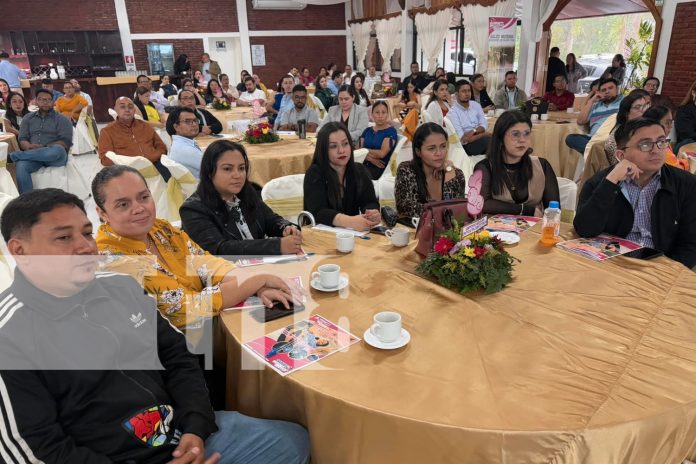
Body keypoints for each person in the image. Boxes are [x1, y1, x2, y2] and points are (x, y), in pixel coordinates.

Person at [0, 188, 311, 464]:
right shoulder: (9, 335)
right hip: (115, 456)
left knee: (295, 441)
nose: (84, 247)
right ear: (19, 251)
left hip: (181, 436)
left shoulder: (121, 286)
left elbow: (178, 358)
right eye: (64, 237)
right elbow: (33, 450)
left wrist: (196, 426)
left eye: (86, 233)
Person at [93, 165, 300, 328]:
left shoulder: (159, 228)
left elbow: (205, 263)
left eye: (144, 197)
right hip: (181, 352)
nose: (139, 208)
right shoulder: (112, 259)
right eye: (123, 204)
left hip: (214, 320)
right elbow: (185, 309)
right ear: (101, 213)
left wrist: (256, 287)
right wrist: (255, 280)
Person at [574, 117, 696, 269]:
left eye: (661, 142)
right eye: (645, 144)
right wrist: (610, 182)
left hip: (662, 268)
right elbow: (585, 230)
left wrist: (668, 273)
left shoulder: (686, 184)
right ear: (621, 156)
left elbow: (690, 243)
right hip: (612, 266)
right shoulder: (599, 183)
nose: (656, 150)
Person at [181, 140, 303, 256]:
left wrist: (286, 228)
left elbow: (271, 220)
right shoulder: (193, 209)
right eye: (227, 169)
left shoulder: (246, 194)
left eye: (241, 168)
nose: (237, 175)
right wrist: (276, 246)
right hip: (227, 274)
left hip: (259, 266)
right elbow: (219, 249)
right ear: (210, 172)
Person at [473, 110, 560, 217]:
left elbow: (553, 210)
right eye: (515, 134)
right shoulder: (484, 168)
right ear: (500, 138)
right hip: (495, 231)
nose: (522, 140)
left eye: (526, 134)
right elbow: (481, 204)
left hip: (534, 230)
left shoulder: (542, 165)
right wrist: (525, 210)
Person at [304, 122, 381, 229]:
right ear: (323, 150)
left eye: (345, 144)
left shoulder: (359, 170)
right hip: (321, 235)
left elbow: (369, 201)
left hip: (352, 234)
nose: (341, 150)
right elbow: (318, 212)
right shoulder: (314, 173)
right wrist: (350, 221)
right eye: (333, 146)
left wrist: (373, 213)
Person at [395, 122, 466, 219]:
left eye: (443, 146)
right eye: (431, 149)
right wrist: (442, 212)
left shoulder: (456, 175)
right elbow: (404, 208)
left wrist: (449, 179)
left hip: (446, 232)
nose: (439, 153)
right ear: (418, 152)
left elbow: (457, 213)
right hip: (415, 231)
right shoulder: (406, 170)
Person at [10, 89, 71, 193]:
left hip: (55, 157)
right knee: (22, 165)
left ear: (53, 102)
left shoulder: (62, 119)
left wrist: (44, 147)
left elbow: (65, 142)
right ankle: (27, 201)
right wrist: (29, 147)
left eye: (48, 100)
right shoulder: (27, 118)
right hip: (34, 157)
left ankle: (13, 156)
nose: (45, 102)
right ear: (36, 101)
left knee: (58, 150)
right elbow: (22, 138)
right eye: (42, 99)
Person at [97, 97, 170, 180]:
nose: (127, 110)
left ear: (134, 110)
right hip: (127, 172)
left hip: (154, 165)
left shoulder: (145, 126)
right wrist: (130, 163)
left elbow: (161, 147)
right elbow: (105, 159)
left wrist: (152, 157)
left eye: (130, 107)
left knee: (173, 185)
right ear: (116, 110)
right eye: (122, 107)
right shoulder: (107, 131)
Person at [566, 78, 623, 155]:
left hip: (612, 140)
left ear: (617, 89)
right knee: (570, 139)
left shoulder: (624, 102)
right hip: (593, 139)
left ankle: (596, 154)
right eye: (603, 90)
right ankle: (600, 154)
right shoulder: (595, 106)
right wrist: (591, 101)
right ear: (599, 93)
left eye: (610, 88)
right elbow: (580, 121)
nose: (607, 91)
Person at [603, 89, 650, 165]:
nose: (643, 111)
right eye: (637, 107)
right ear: (626, 113)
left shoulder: (638, 130)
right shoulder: (620, 134)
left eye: (645, 107)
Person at [448, 79, 491, 156]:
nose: (467, 94)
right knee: (490, 142)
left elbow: (484, 124)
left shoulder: (476, 105)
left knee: (498, 139)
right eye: (463, 91)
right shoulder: (453, 113)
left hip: (476, 138)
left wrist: (473, 131)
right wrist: (482, 134)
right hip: (466, 147)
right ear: (456, 94)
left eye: (469, 91)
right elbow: (463, 140)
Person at [359, 101, 398, 180]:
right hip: (362, 164)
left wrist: (364, 150)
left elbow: (382, 154)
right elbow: (357, 150)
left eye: (383, 112)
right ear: (372, 114)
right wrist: (370, 158)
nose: (380, 116)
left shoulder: (391, 131)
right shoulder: (367, 130)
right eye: (377, 112)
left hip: (378, 168)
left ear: (387, 114)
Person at [644, 105, 690, 171]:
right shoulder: (660, 146)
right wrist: (685, 162)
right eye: (667, 123)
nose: (671, 126)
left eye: (671, 122)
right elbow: (678, 169)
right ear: (654, 123)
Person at [166, 106, 203, 178]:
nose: (194, 124)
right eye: (188, 121)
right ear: (176, 127)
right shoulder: (185, 149)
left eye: (195, 120)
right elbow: (215, 168)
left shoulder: (180, 144)